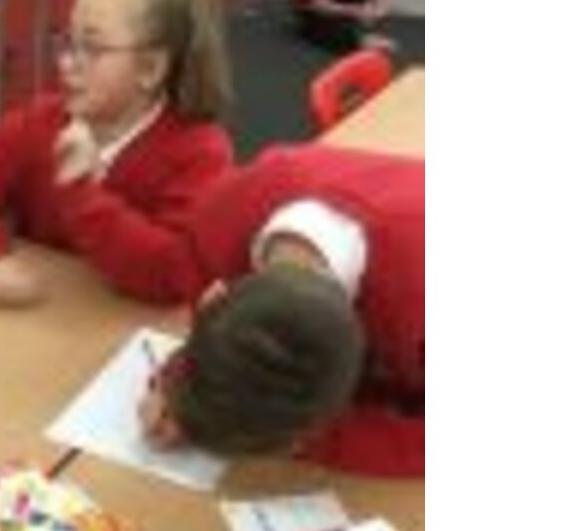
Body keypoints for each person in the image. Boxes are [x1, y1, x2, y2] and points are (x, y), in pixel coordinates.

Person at [0, 0, 235, 307]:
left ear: (150, 69)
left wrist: (80, 192)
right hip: (48, 316)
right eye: (68, 42)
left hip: (127, 325)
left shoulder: (201, 152)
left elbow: (169, 273)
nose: (66, 63)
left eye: (93, 48)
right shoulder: (41, 121)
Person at [139, 143, 423, 477]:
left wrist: (317, 443)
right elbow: (230, 340)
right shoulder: (219, 222)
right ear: (211, 297)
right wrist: (183, 392)